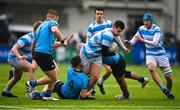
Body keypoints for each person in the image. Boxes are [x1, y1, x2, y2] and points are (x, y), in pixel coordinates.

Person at [85, 7, 149, 95]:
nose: (99, 15)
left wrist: (121, 47)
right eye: (97, 13)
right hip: (103, 53)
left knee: (117, 76)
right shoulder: (92, 27)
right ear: (95, 14)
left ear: (103, 14)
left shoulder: (109, 26)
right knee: (122, 74)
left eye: (101, 14)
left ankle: (99, 86)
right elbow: (88, 41)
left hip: (107, 54)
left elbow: (115, 37)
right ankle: (141, 79)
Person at [124, 13, 175, 99]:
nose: (146, 22)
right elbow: (135, 38)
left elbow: (154, 43)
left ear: (151, 21)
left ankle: (168, 92)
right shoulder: (141, 28)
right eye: (144, 21)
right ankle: (164, 89)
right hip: (150, 54)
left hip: (161, 54)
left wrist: (142, 40)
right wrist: (130, 42)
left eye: (147, 21)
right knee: (151, 69)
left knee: (169, 78)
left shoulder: (157, 29)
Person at [80, 20, 131, 99]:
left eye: (120, 32)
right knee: (85, 74)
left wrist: (122, 47)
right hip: (87, 54)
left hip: (101, 57)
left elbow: (116, 38)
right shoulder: (108, 35)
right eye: (118, 31)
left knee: (95, 77)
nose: (119, 33)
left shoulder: (111, 31)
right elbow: (104, 53)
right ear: (113, 27)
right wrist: (113, 49)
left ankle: (85, 94)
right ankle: (80, 93)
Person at [26, 9, 66, 99]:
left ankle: (48, 94)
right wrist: (62, 41)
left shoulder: (41, 26)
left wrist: (33, 52)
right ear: (56, 17)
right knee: (54, 77)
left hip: (38, 54)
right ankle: (31, 84)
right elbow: (55, 30)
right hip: (44, 54)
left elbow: (34, 41)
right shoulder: (53, 22)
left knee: (56, 72)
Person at [1, 20, 42, 97]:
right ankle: (33, 92)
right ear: (39, 30)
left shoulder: (38, 39)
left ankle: (6, 92)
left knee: (17, 78)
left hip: (19, 59)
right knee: (31, 68)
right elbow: (14, 48)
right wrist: (19, 57)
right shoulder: (27, 38)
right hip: (14, 58)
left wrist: (62, 43)